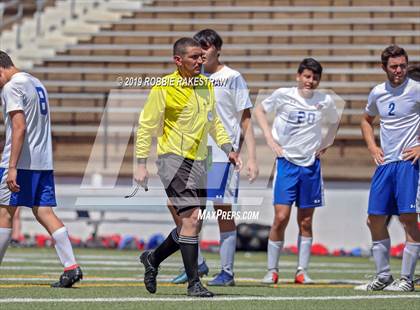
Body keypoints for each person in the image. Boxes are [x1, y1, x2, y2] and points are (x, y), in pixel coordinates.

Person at [135, 37, 240, 297]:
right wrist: (140, 163)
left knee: (190, 225)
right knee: (192, 218)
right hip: (172, 159)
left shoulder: (205, 85)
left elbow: (213, 123)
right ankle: (194, 284)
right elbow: (146, 126)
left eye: (201, 56)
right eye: (194, 57)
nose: (200, 61)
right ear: (178, 60)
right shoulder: (163, 87)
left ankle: (153, 258)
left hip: (200, 161)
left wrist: (229, 149)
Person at [169, 29, 259, 287]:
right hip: (193, 155)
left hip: (222, 156)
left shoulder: (233, 77)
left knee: (223, 212)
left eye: (207, 47)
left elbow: (245, 118)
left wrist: (251, 156)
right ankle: (195, 264)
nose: (203, 52)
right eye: (200, 47)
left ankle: (227, 272)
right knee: (180, 208)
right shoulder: (193, 78)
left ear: (217, 49)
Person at [0, 51, 82, 288]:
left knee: (5, 213)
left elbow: (19, 127)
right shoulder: (36, 83)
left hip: (19, 163)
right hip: (42, 162)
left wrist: (12, 166)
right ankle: (71, 266)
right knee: (44, 212)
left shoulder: (12, 87)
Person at [254, 58, 339, 285]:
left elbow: (334, 122)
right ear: (298, 76)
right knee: (280, 218)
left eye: (315, 78)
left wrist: (326, 144)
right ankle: (272, 270)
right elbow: (259, 110)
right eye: (307, 76)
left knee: (306, 222)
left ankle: (302, 271)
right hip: (287, 163)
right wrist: (271, 141)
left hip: (311, 166)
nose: (310, 81)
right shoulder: (284, 94)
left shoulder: (325, 101)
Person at [354, 45, 420, 292]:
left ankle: (406, 280)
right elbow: (365, 120)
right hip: (385, 165)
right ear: (384, 68)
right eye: (394, 66)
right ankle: (383, 277)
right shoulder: (378, 93)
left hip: (408, 164)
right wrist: (372, 148)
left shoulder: (416, 89)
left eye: (402, 65)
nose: (399, 70)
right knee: (374, 219)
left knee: (408, 219)